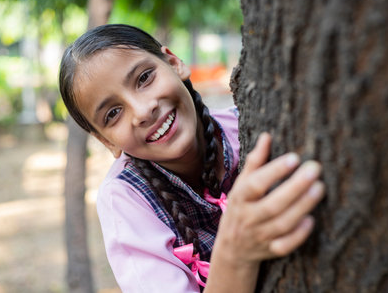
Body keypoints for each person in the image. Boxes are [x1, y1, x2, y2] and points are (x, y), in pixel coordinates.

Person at [59, 24, 325, 293]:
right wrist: (236, 252)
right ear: (107, 141)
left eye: (144, 78)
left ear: (174, 63)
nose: (142, 111)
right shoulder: (125, 199)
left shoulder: (248, 125)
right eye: (113, 113)